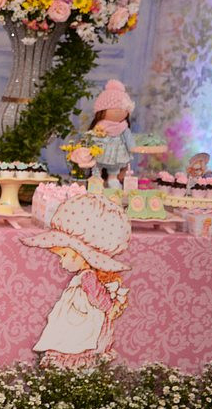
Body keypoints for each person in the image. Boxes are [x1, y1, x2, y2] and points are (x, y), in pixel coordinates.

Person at [22, 193, 131, 368]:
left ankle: (72, 366)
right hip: (76, 317)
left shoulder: (87, 277)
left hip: (81, 321)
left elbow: (98, 296)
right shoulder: (84, 276)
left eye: (64, 255)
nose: (61, 261)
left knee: (74, 343)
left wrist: (110, 309)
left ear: (83, 255)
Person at [89, 79, 136, 189]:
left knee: (114, 171)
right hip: (100, 153)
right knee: (96, 166)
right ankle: (96, 179)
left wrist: (133, 148)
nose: (118, 111)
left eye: (122, 108)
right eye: (113, 108)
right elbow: (91, 139)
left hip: (116, 155)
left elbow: (129, 140)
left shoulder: (123, 127)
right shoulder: (99, 127)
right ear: (101, 111)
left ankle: (112, 180)